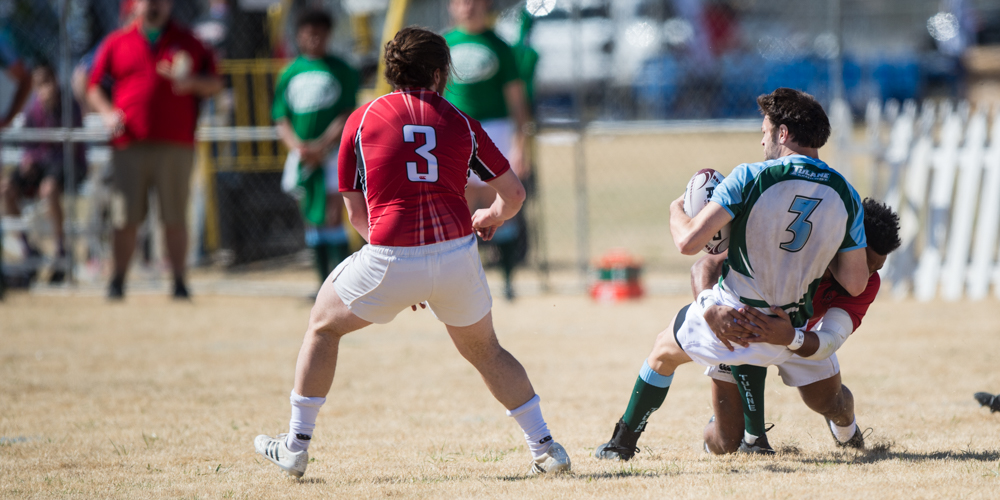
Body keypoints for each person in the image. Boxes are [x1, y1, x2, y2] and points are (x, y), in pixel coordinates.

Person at [252, 27, 571, 478]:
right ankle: (546, 448)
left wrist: (400, 273)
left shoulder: (360, 120)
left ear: (390, 71)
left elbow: (356, 211)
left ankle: (296, 446)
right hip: (457, 255)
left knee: (323, 327)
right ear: (440, 73)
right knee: (487, 351)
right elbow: (514, 194)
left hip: (390, 256)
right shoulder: (461, 122)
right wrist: (491, 217)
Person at [595, 88, 869, 459]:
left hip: (731, 322)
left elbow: (690, 244)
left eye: (765, 129)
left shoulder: (749, 177)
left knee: (662, 353)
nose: (762, 138)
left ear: (783, 133)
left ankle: (621, 444)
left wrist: (676, 209)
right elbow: (855, 282)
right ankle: (801, 436)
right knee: (828, 398)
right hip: (790, 330)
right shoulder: (848, 195)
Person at [698, 198, 901, 453]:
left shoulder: (868, 283)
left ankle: (848, 433)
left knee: (831, 402)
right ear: (845, 244)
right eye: (863, 264)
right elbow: (706, 264)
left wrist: (790, 337)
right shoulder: (795, 240)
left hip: (797, 334)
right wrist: (709, 308)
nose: (866, 277)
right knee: (727, 442)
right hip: (744, 329)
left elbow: (830, 339)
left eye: (876, 269)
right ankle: (724, 425)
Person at [86, 0, 223, 300]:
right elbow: (93, 85)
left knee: (174, 217)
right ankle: (117, 281)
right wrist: (107, 113)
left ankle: (178, 282)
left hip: (176, 143)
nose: (154, 6)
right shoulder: (116, 42)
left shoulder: (189, 41)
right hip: (128, 143)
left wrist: (191, 83)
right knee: (124, 218)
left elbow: (215, 83)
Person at [444, 0, 532, 300]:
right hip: (455, 131)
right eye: (461, 1)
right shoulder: (444, 44)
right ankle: (463, 282)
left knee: (500, 206)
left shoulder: (500, 46)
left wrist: (521, 145)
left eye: (474, 1)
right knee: (460, 206)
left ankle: (507, 280)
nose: (468, 7)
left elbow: (517, 101)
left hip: (495, 130)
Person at [273, 8, 360, 289]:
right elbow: (281, 118)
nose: (314, 39)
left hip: (333, 153)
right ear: (299, 36)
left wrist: (323, 145)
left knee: (334, 214)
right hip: (302, 156)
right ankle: (322, 283)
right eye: (308, 33)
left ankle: (343, 283)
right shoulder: (290, 72)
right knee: (312, 216)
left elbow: (347, 112)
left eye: (320, 33)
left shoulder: (341, 68)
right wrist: (298, 148)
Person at [1, 65, 87, 283]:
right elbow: (28, 145)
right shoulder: (32, 108)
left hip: (66, 164)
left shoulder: (69, 106)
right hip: (40, 164)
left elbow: (71, 147)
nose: (44, 89)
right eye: (39, 85)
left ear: (55, 82)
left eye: (47, 83)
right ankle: (27, 249)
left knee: (49, 189)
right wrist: (28, 159)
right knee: (6, 189)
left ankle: (61, 251)